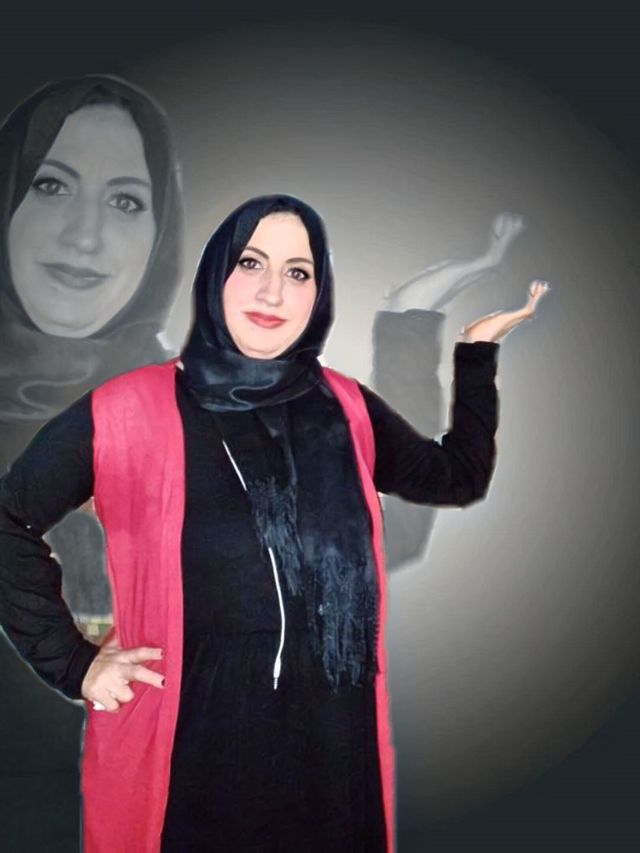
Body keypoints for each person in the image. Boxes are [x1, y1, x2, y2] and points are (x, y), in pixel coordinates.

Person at [0, 194, 547, 852]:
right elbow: (9, 518)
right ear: (216, 274)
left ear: (318, 293)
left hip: (332, 750)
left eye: (298, 272)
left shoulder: (344, 407)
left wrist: (477, 354)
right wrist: (75, 663)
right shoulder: (126, 409)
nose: (272, 291)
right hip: (190, 752)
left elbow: (455, 476)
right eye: (251, 262)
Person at [0, 74, 183, 852]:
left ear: (161, 235)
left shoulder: (193, 406)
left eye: (126, 201)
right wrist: (70, 659)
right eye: (50, 185)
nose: (85, 236)